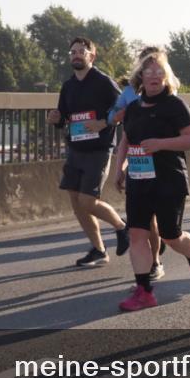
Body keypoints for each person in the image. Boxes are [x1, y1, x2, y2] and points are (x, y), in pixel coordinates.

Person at [112, 49, 190, 311]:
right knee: (136, 234)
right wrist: (119, 168)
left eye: (159, 72)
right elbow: (126, 140)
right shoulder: (132, 108)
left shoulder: (175, 105)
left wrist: (160, 144)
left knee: (170, 236)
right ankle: (144, 291)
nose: (154, 76)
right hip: (139, 180)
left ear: (166, 77)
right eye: (149, 71)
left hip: (170, 180)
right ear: (140, 77)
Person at [47, 37, 129, 267]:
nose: (76, 55)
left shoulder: (104, 82)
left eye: (82, 51)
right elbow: (63, 117)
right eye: (73, 51)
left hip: (98, 149)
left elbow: (123, 109)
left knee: (88, 200)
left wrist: (103, 123)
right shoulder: (68, 85)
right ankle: (99, 249)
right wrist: (55, 119)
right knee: (76, 200)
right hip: (75, 148)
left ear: (92, 56)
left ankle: (123, 228)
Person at [108, 46, 165, 280]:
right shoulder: (130, 92)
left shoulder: (167, 91)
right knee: (142, 220)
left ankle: (158, 256)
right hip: (137, 165)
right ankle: (152, 266)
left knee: (159, 221)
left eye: (155, 66)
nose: (150, 71)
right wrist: (117, 115)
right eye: (145, 65)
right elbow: (112, 117)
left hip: (161, 164)